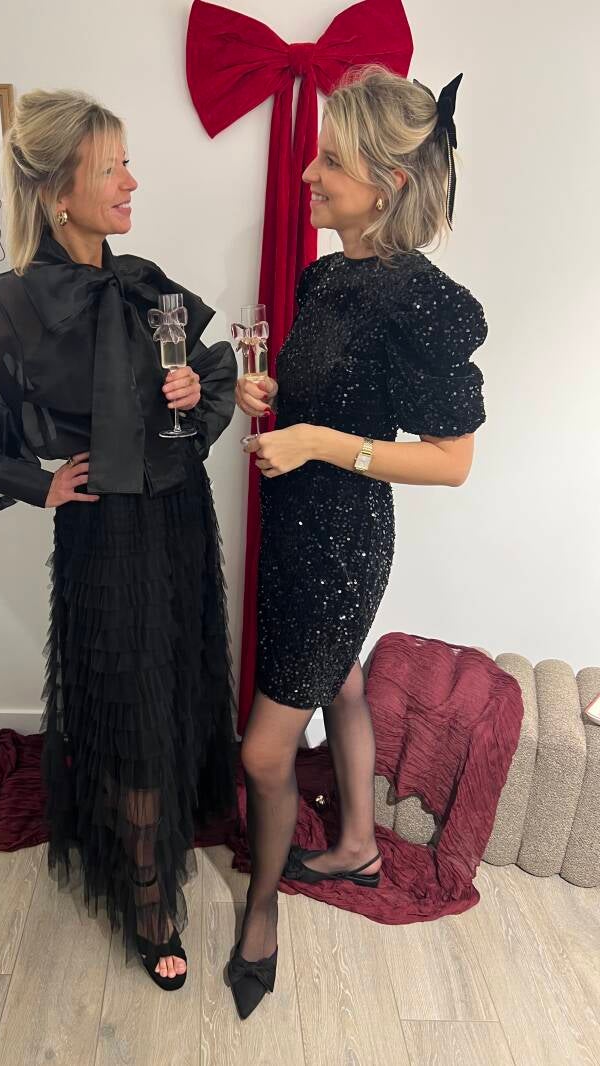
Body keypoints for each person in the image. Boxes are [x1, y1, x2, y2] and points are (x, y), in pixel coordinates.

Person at [0, 89, 238, 991]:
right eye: (112, 168)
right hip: (107, 533)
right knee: (129, 701)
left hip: (181, 518)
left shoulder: (146, 281)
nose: (132, 182)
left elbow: (204, 375)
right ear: (59, 193)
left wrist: (188, 391)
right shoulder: (13, 304)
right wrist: (35, 481)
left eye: (128, 163)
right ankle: (145, 892)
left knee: (173, 687)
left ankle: (154, 837)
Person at [229, 65, 488, 1019]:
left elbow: (453, 461)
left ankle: (261, 916)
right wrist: (270, 396)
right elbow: (325, 396)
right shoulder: (327, 275)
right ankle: (357, 848)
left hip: (340, 548)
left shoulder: (423, 300)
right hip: (296, 530)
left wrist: (318, 442)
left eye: (330, 160)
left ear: (388, 184)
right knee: (338, 685)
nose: (309, 173)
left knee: (262, 756)